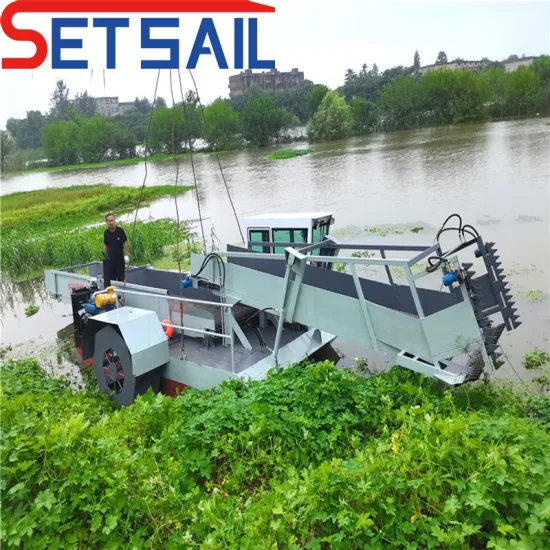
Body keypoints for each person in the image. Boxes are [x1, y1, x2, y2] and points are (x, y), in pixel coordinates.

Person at [103, 213, 130, 282]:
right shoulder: (106, 233)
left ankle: (123, 292)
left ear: (114, 220)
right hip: (111, 261)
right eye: (110, 221)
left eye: (112, 220)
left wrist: (126, 255)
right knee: (112, 281)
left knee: (121, 279)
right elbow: (106, 245)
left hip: (120, 261)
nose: (111, 222)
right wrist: (104, 255)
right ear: (107, 222)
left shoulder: (120, 231)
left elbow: (125, 242)